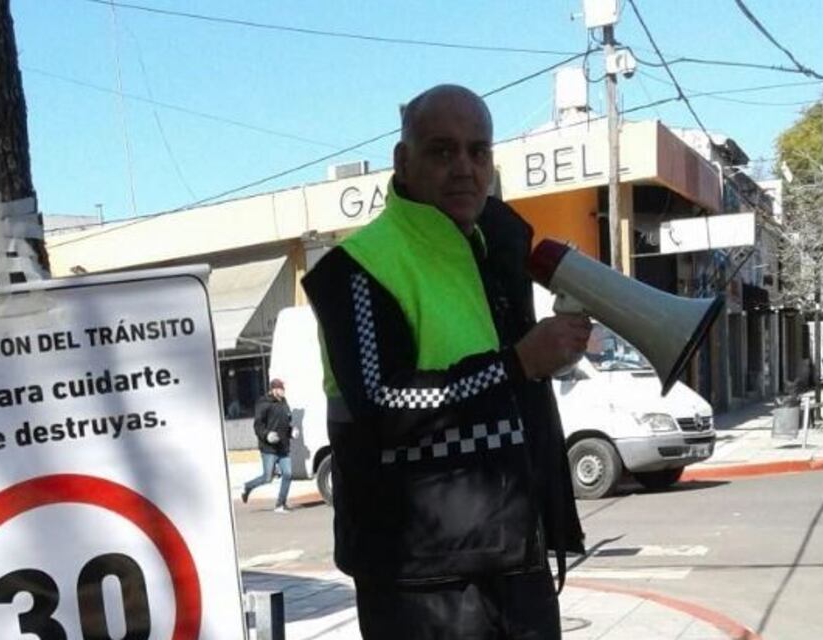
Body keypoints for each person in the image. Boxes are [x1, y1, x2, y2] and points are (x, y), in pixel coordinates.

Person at [301, 85, 590, 639]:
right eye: (442, 150)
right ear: (402, 163)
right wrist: (519, 363)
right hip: (421, 580)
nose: (464, 167)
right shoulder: (357, 268)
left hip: (513, 556)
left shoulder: (491, 249)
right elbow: (381, 402)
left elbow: (511, 391)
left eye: (478, 151)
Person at [241, 378, 295, 513]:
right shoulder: (263, 403)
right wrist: (267, 435)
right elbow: (257, 425)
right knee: (267, 478)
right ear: (274, 390)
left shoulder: (284, 403)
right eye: (281, 389)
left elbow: (286, 422)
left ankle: (280, 504)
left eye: (284, 389)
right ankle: (248, 487)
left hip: (283, 446)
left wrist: (291, 431)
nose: (283, 392)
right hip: (269, 448)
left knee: (288, 474)